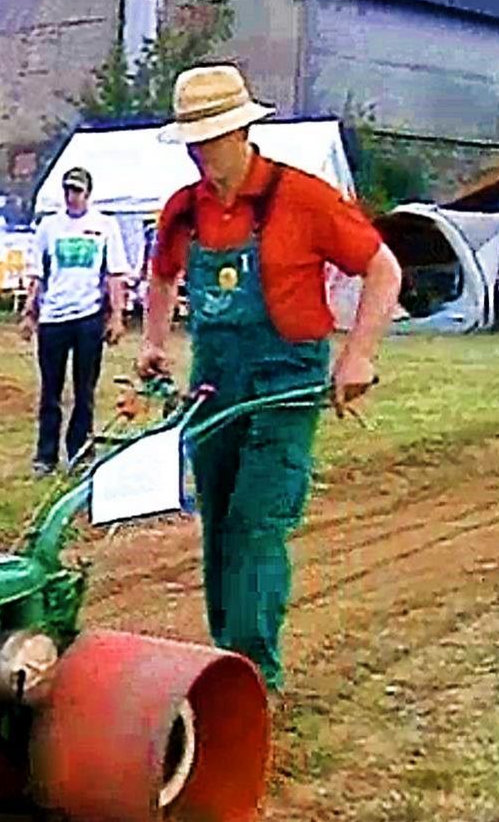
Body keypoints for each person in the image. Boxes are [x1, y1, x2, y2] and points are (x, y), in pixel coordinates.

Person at [139, 64, 401, 693]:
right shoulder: (184, 209)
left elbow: (384, 270)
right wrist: (153, 343)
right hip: (214, 379)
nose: (203, 154)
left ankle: (254, 675)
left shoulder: (303, 198)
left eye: (213, 138)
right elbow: (163, 276)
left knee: (258, 520)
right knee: (221, 520)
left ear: (243, 131)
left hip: (287, 377)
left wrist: (358, 355)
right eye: (194, 142)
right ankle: (228, 659)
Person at [19, 166, 131, 474]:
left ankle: (81, 452)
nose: (72, 197)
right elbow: (37, 274)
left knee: (85, 390)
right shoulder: (49, 227)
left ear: (88, 194)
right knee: (50, 390)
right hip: (54, 318)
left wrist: (117, 316)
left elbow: (114, 275)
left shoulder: (105, 226)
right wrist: (30, 313)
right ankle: (46, 455)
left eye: (78, 191)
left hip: (88, 318)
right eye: (68, 190)